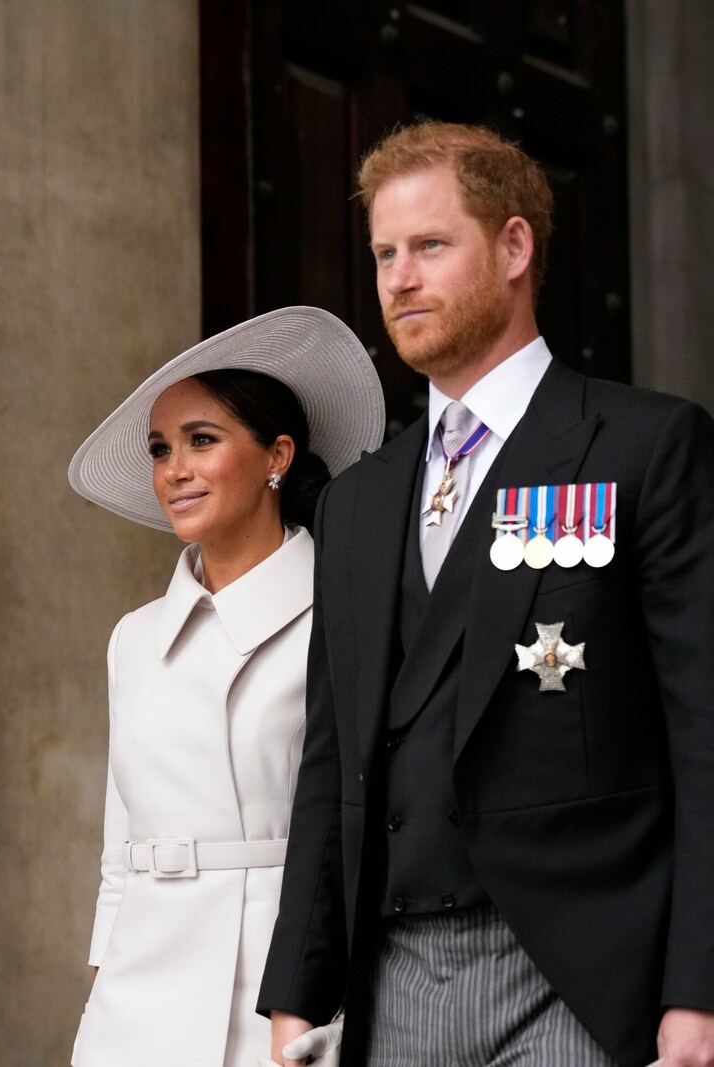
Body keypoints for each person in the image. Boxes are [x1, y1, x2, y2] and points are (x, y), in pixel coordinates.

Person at [258, 123, 714, 1067]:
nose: (398, 277)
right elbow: (329, 763)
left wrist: (699, 992)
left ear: (514, 247)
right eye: (384, 252)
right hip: (393, 979)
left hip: (585, 978)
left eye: (429, 245)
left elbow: (706, 736)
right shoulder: (358, 500)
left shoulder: (645, 446)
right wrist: (297, 996)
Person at [67, 306, 384, 1067]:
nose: (173, 469)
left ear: (277, 455)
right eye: (159, 448)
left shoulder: (347, 620)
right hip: (136, 999)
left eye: (201, 440)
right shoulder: (133, 638)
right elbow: (122, 843)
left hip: (280, 988)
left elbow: (365, 828)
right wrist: (105, 980)